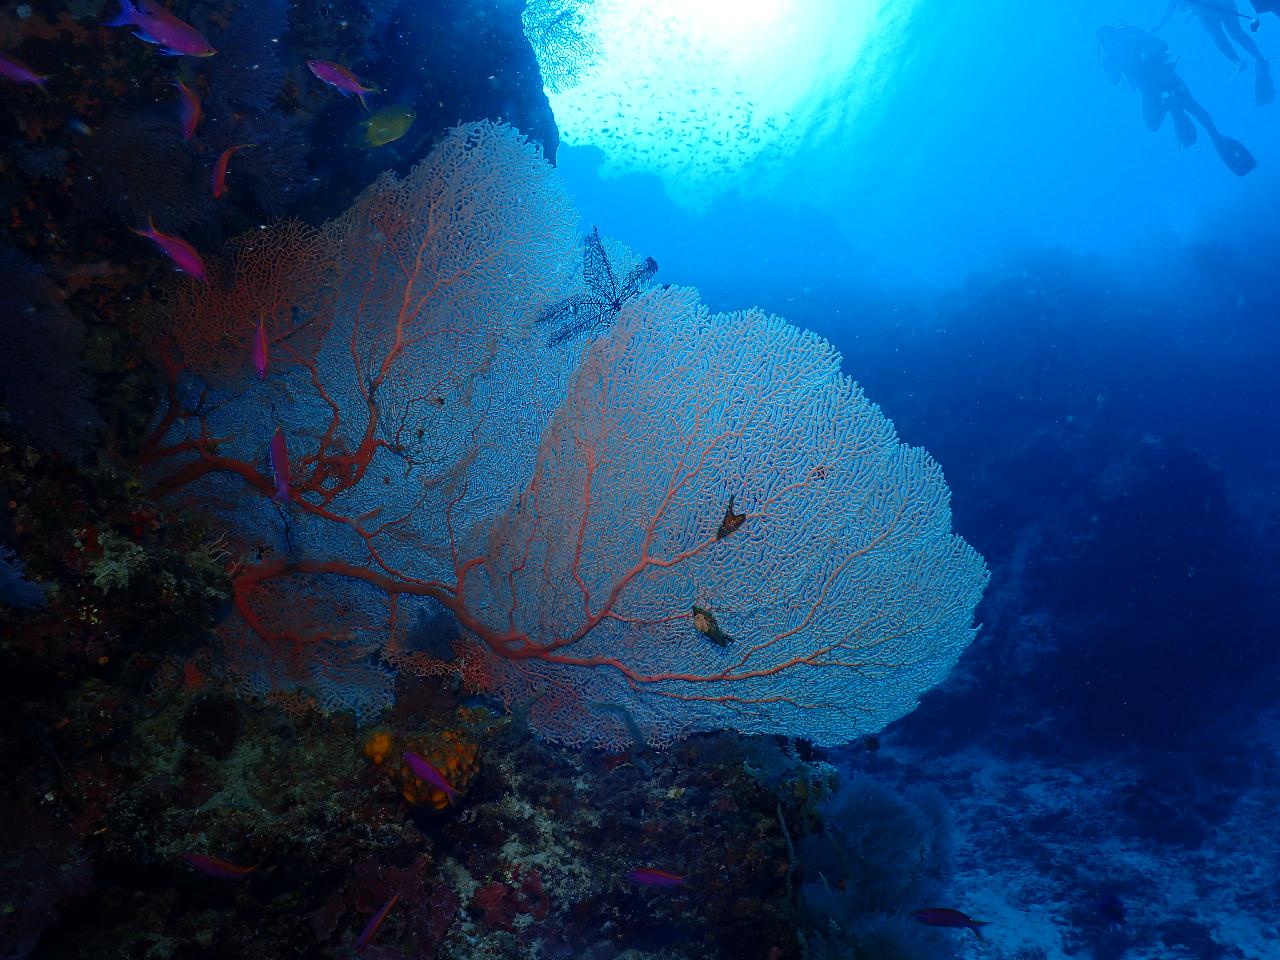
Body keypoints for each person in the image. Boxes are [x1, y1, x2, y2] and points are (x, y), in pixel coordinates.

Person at [1097, 24, 1257, 175]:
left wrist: (1120, 57)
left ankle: (1188, 119)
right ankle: (1207, 131)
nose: (1110, 40)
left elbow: (1115, 79)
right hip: (1161, 80)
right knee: (1185, 111)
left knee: (1171, 115)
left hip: (1158, 82)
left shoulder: (1125, 40)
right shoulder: (1121, 44)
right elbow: (1162, 46)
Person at [1155, 0, 1274, 104]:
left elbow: (1172, 7)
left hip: (1211, 8)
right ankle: (1255, 58)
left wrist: (1160, 25)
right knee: (1232, 34)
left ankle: (1239, 61)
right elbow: (1173, 6)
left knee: (1221, 37)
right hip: (1215, 7)